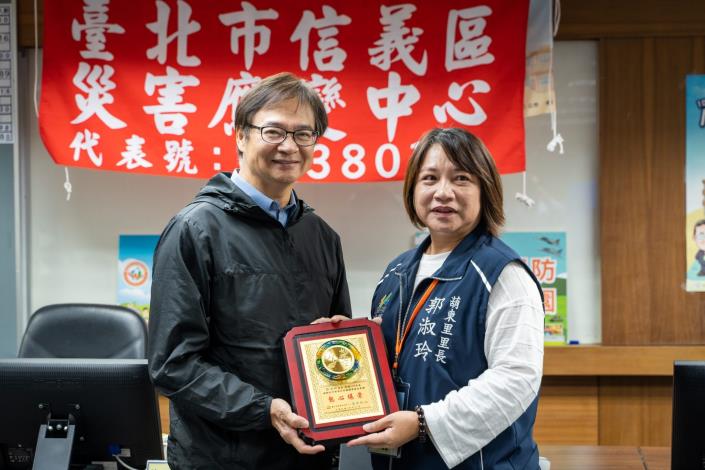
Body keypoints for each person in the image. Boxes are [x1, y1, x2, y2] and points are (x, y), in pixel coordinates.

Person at [148, 72, 352, 470]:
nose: (289, 146)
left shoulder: (322, 237)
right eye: (274, 131)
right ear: (241, 135)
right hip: (222, 457)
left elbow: (335, 342)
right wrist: (265, 410)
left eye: (304, 134)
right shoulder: (195, 230)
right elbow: (173, 363)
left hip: (306, 455)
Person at [348, 128, 545, 469]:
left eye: (461, 178)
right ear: (413, 190)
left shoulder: (503, 274)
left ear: (485, 190)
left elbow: (516, 379)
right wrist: (338, 339)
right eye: (429, 178)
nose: (443, 192)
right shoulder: (396, 271)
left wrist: (424, 423)